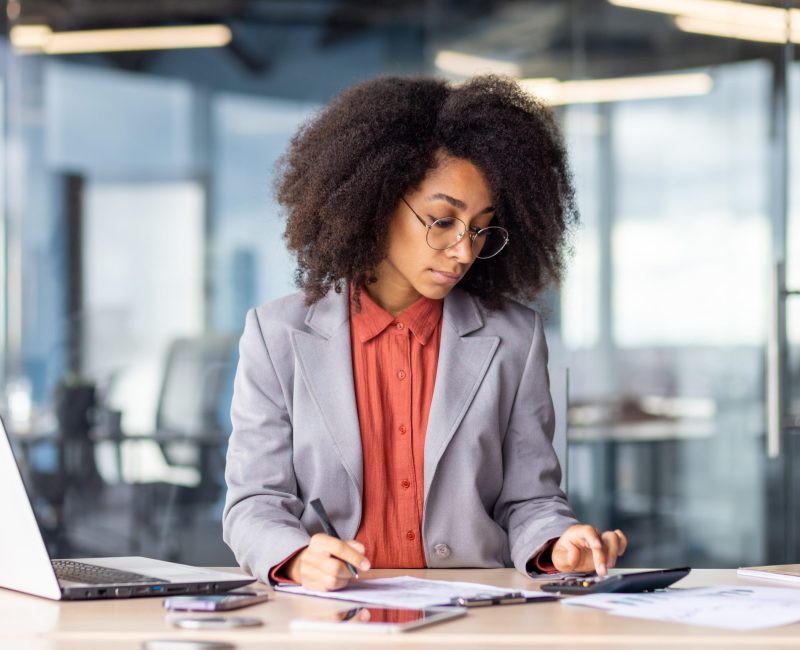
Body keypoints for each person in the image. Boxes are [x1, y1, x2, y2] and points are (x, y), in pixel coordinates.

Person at [222, 75, 627, 592]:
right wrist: (296, 556)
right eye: (442, 220)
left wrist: (557, 543)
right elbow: (254, 502)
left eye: (480, 228)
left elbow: (531, 501)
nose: (464, 251)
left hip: (474, 614)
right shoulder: (276, 335)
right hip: (331, 613)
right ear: (376, 198)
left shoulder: (514, 339)